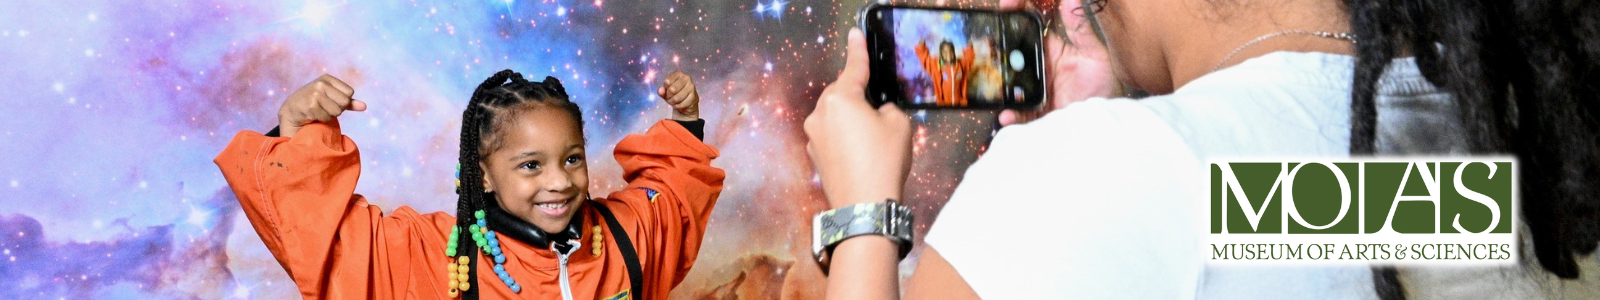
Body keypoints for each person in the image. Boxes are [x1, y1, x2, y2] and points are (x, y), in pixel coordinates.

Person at [803, 0, 1599, 298]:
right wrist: (1137, 129)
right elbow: (1282, 221)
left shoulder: (1097, 176)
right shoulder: (1470, 150)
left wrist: (862, 214)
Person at [214, 69, 725, 299]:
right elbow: (331, 243)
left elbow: (674, 196)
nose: (559, 182)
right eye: (530, 165)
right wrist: (296, 131)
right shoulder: (443, 258)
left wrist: (686, 120)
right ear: (483, 173)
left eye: (572, 159)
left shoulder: (622, 237)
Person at [914, 39, 975, 106]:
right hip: (944, 104)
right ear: (941, 54)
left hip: (959, 104)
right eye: (945, 52)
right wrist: (921, 47)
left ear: (954, 52)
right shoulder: (937, 65)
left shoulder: (960, 64)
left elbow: (969, 59)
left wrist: (970, 47)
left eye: (950, 51)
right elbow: (926, 60)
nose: (948, 54)